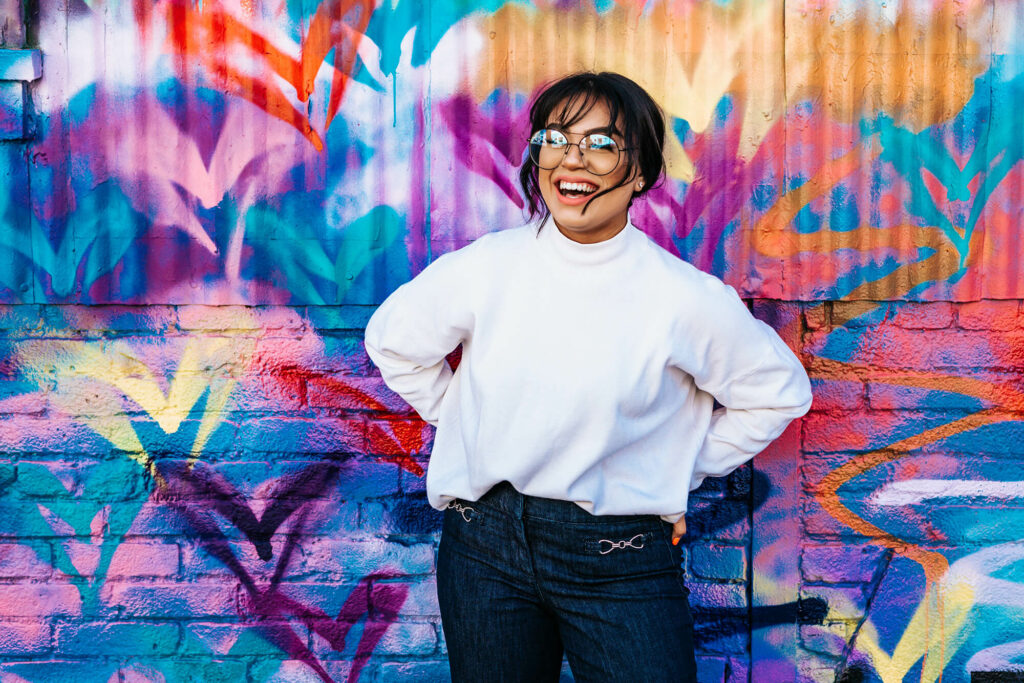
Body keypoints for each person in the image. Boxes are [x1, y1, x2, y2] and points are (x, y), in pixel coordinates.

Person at [364, 72, 812, 683]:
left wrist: (677, 469)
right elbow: (395, 343)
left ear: (639, 172)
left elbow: (777, 394)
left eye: (602, 143)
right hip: (482, 547)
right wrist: (468, 423)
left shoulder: (680, 297)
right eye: (556, 138)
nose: (573, 159)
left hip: (619, 559)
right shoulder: (488, 268)